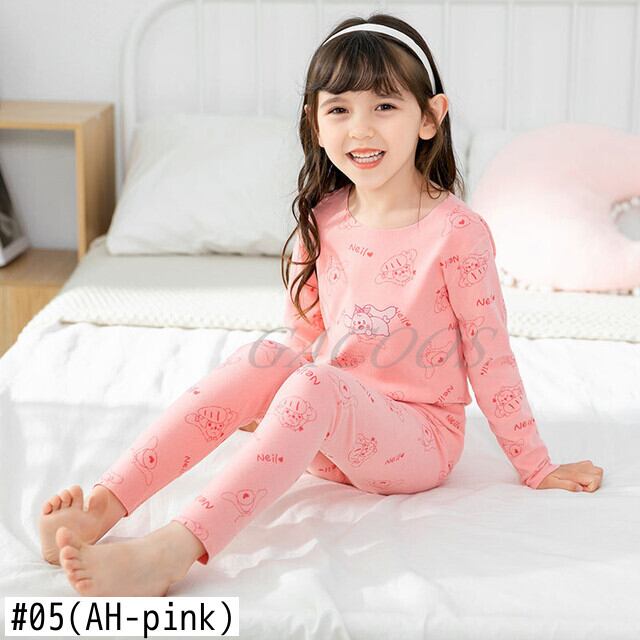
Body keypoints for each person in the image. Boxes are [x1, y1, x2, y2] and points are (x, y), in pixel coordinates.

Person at [38, 13, 603, 597]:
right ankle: (105, 505)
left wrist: (537, 465)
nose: (361, 129)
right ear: (314, 121)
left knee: (313, 384)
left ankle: (173, 551)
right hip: (331, 437)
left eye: (384, 106)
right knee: (265, 358)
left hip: (418, 441)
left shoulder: (457, 233)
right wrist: (272, 403)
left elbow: (491, 357)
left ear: (430, 117)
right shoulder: (324, 216)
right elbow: (303, 337)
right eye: (339, 109)